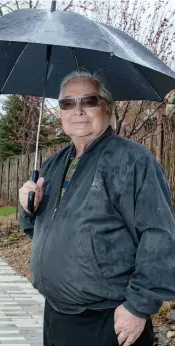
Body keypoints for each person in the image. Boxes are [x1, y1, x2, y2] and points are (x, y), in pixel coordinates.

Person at [19, 70, 175, 346]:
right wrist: (29, 206)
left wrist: (138, 306)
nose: (77, 110)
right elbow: (36, 231)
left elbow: (160, 236)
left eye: (89, 101)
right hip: (57, 314)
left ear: (108, 107)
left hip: (106, 320)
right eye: (67, 103)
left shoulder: (133, 162)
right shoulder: (53, 165)